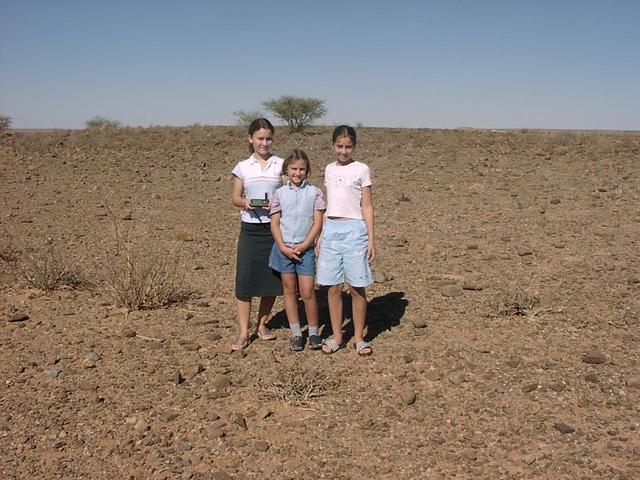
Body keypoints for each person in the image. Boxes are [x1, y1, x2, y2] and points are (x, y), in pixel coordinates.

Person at [316, 125, 375, 356]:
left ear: (354, 147)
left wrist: (371, 238)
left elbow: (367, 206)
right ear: (333, 145)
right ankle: (337, 335)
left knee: (357, 286)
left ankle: (359, 337)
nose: (343, 151)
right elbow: (326, 203)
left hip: (355, 230)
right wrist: (321, 234)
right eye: (339, 146)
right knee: (333, 287)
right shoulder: (329, 169)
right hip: (331, 228)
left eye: (348, 146)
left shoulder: (362, 169)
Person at [230, 118, 284, 350]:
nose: (264, 143)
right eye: (260, 138)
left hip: (274, 228)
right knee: (245, 281)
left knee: (271, 279)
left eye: (268, 138)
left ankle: (262, 325)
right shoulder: (242, 166)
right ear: (250, 139)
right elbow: (234, 197)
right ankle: (243, 332)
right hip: (250, 229)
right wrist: (246, 203)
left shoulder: (281, 164)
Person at [268, 149, 326, 351]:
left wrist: (305, 244)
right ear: (286, 170)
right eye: (293, 169)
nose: (297, 173)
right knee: (289, 291)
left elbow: (318, 222)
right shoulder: (279, 194)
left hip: (305, 249)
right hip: (285, 249)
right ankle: (295, 333)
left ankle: (313, 332)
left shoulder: (315, 192)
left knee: (308, 291)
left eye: (302, 169)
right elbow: (275, 223)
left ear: (307, 171)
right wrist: (283, 247)